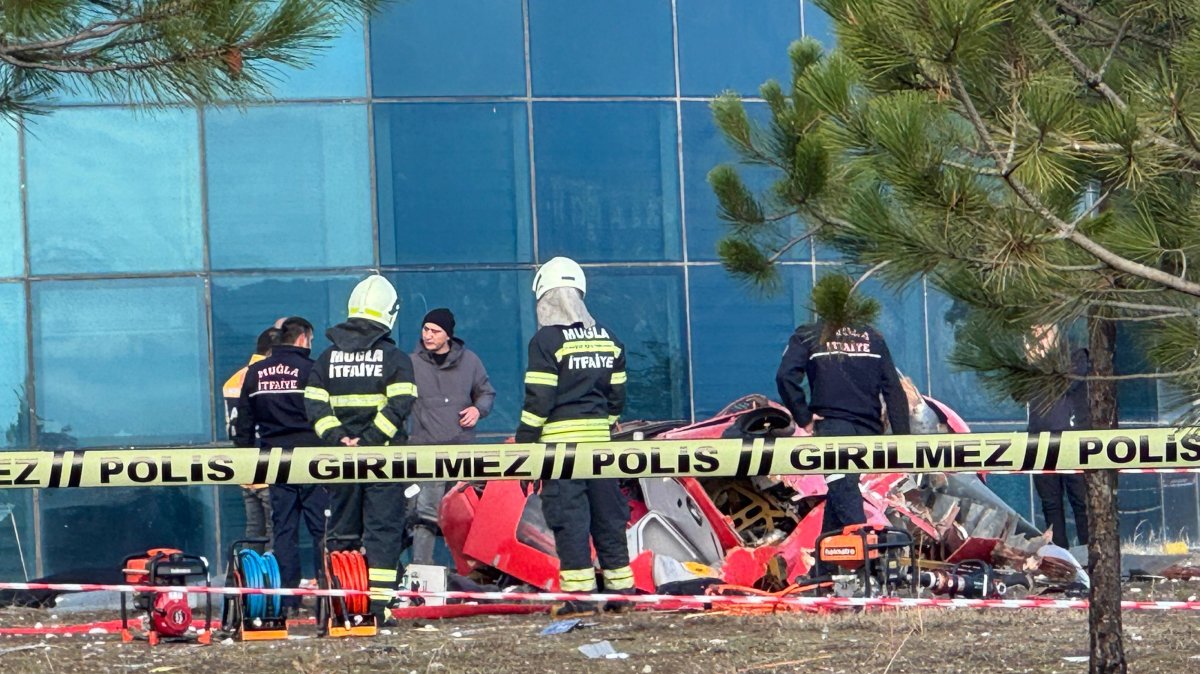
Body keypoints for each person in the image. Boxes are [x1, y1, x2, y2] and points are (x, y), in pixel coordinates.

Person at [515, 257, 632, 618]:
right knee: (608, 517)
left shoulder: (546, 341)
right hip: (601, 449)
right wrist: (603, 424)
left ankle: (580, 597)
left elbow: (539, 399)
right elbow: (618, 397)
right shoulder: (608, 337)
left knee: (570, 520)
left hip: (560, 451)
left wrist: (524, 444)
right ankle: (621, 593)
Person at [775, 277, 910, 577]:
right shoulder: (873, 338)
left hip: (833, 432)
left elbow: (785, 377)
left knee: (848, 504)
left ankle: (870, 574)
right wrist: (903, 441)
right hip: (868, 434)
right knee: (841, 494)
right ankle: (821, 576)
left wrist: (804, 418)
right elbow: (894, 390)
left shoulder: (810, 335)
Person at [304, 275, 417, 623]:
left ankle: (341, 603)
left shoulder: (326, 359)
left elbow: (313, 403)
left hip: (341, 461)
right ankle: (378, 608)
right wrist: (368, 441)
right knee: (384, 531)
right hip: (383, 460)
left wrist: (339, 439)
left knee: (342, 531)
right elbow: (400, 406)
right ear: (390, 313)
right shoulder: (395, 358)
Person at [232, 317, 330, 614]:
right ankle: (328, 594)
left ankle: (287, 600)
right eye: (310, 341)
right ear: (302, 339)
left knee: (284, 529)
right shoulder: (312, 369)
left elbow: (244, 422)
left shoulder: (254, 373)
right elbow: (325, 414)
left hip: (274, 458)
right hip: (313, 458)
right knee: (321, 529)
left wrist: (248, 460)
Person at [408, 308, 496, 566]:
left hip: (461, 452)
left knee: (464, 514)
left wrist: (477, 409)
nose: (428, 335)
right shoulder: (411, 363)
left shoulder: (470, 361)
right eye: (425, 329)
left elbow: (487, 393)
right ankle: (422, 572)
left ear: (448, 335)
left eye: (435, 331)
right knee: (424, 514)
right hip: (425, 452)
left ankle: (471, 571)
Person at [1027, 323, 1090, 549]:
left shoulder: (1076, 355)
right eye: (1034, 334)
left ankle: (1088, 554)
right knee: (1050, 504)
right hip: (1039, 439)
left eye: (1043, 334)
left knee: (1080, 501)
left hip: (1070, 438)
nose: (1038, 339)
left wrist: (1044, 363)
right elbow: (1018, 391)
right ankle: (1061, 556)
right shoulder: (1030, 363)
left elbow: (1067, 384)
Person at [222, 326, 280, 552]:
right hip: (269, 466)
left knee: (253, 531)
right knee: (276, 532)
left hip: (245, 468)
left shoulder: (233, 380)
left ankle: (249, 580)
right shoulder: (266, 377)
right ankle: (272, 582)